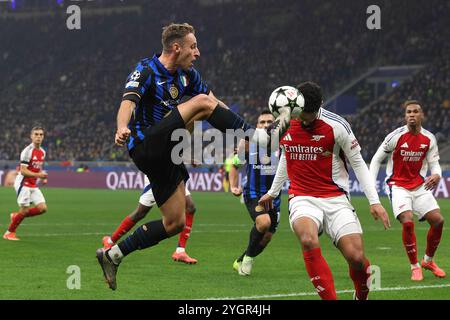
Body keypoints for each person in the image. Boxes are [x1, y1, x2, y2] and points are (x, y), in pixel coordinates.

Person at [96, 23, 265, 290]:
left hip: (167, 154)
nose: (197, 52)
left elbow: (215, 104)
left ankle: (113, 255)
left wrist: (234, 127)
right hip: (145, 144)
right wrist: (121, 127)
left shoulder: (189, 75)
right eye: (193, 46)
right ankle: (256, 136)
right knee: (200, 103)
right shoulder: (147, 70)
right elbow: (127, 102)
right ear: (177, 47)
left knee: (175, 222)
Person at [259, 81, 391, 300]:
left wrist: (374, 201)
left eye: (309, 115)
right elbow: (286, 155)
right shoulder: (286, 121)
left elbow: (358, 163)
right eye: (301, 114)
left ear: (320, 105)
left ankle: (361, 294)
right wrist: (274, 191)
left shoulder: (337, 126)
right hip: (302, 197)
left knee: (356, 258)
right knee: (309, 239)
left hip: (336, 198)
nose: (304, 119)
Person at [369, 100, 445, 281]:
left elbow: (435, 165)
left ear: (422, 115)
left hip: (420, 186)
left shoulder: (429, 138)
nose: (412, 114)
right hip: (398, 186)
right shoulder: (395, 137)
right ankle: (415, 266)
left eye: (416, 111)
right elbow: (375, 160)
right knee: (408, 221)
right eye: (408, 112)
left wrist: (437, 175)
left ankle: (428, 261)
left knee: (438, 221)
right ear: (405, 116)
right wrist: (372, 190)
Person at [102, 175, 198, 264]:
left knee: (190, 207)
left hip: (174, 175)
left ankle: (180, 251)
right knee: (140, 212)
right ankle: (110, 241)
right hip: (158, 175)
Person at [229, 110, 281, 276]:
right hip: (253, 193)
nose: (266, 125)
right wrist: (233, 186)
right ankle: (248, 262)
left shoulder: (283, 143)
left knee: (266, 238)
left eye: (269, 122)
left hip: (275, 197)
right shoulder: (248, 144)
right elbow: (234, 165)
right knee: (263, 223)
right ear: (256, 126)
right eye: (262, 122)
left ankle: (240, 261)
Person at [3, 126, 48, 241]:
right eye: (36, 134)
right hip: (23, 183)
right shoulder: (27, 151)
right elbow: (23, 171)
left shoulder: (42, 152)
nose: (38, 137)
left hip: (32, 184)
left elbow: (37, 168)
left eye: (41, 134)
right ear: (31, 136)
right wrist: (39, 176)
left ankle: (16, 216)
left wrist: (41, 176)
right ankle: (9, 232)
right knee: (24, 210)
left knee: (42, 208)